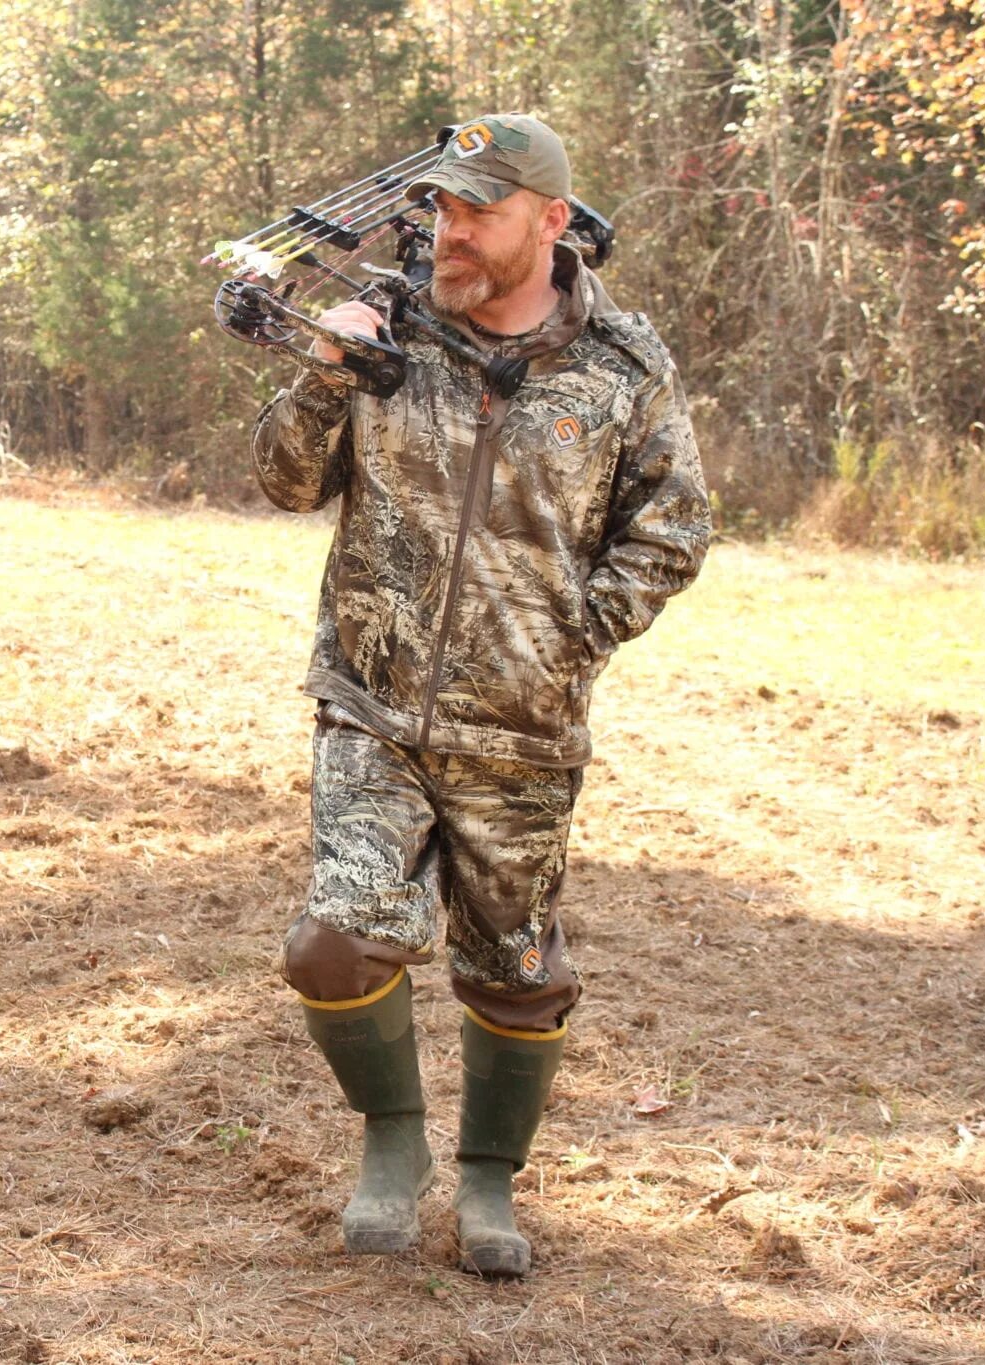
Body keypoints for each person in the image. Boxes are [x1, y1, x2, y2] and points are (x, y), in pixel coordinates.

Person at [250, 113, 710, 1276]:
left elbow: (672, 529)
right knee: (334, 942)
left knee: (513, 968)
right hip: (371, 702)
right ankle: (392, 1143)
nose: (448, 231)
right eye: (441, 207)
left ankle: (487, 1181)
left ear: (550, 223)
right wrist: (322, 374)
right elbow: (283, 481)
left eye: (477, 210)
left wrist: (566, 640)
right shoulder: (386, 331)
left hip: (523, 732)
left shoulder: (623, 367)